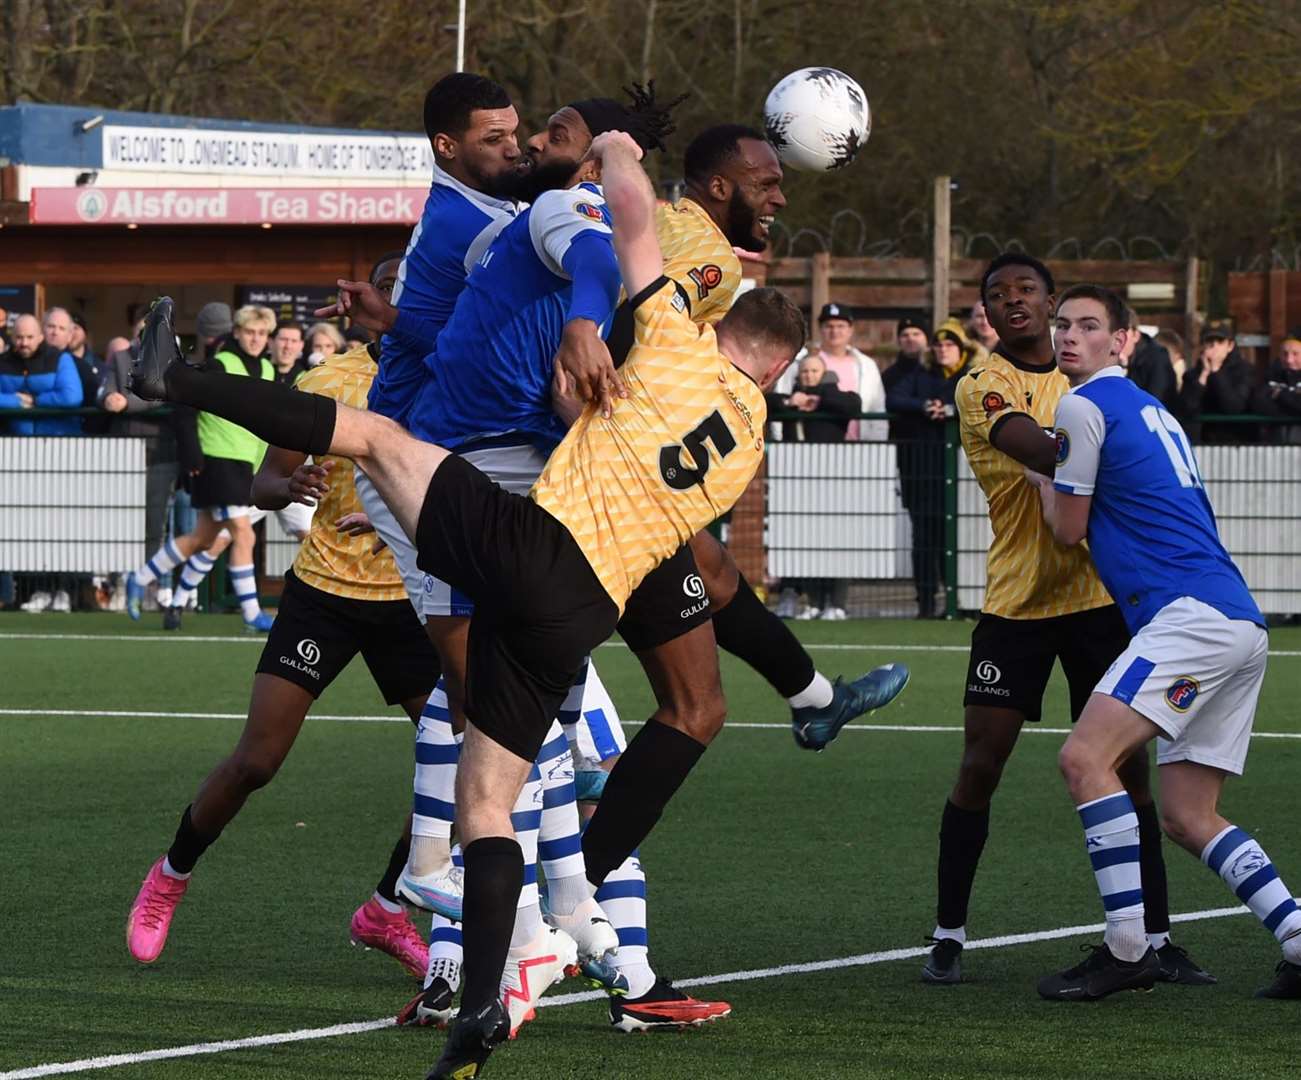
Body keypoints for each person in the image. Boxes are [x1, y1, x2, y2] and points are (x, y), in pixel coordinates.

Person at [129, 128, 811, 1079]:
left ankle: (174, 378)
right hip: (581, 620)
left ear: (724, 336)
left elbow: (633, 224)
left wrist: (618, 150)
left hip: (533, 552)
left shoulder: (675, 350)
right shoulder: (744, 448)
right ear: (775, 371)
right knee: (491, 805)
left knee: (372, 439)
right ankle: (478, 1019)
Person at [125, 282, 441, 981]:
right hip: (324, 593)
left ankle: (388, 909)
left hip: (414, 602)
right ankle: (170, 875)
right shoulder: (330, 379)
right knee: (256, 761)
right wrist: (288, 488)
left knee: (456, 765)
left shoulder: (457, 377)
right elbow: (266, 484)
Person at [920, 253, 1210, 988]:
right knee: (980, 766)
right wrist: (1112, 457)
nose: (1011, 302)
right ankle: (948, 933)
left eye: (1027, 292)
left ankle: (1155, 939)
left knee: (1126, 772)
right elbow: (1038, 449)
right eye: (996, 295)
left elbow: (1086, 461)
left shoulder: (1090, 379)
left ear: (1051, 306)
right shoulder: (983, 382)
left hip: (1096, 604)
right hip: (1015, 606)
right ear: (985, 312)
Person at [1027, 283, 1300, 1001]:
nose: (1068, 337)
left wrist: (1031, 468)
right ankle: (1300, 940)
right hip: (1238, 620)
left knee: (1083, 758)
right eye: (1062, 325)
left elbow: (1066, 529)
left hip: (1189, 619)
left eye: (1088, 326)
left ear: (1122, 342)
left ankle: (1128, 949)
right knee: (1186, 814)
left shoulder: (1081, 404)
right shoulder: (1153, 409)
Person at [125, 304, 277, 632]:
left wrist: (264, 463)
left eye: (262, 333)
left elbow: (267, 421)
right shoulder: (219, 364)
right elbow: (185, 407)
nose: (256, 338)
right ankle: (252, 614)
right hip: (216, 459)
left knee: (203, 538)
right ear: (236, 332)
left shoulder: (267, 368)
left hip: (244, 463)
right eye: (250, 332)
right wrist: (192, 455)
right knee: (243, 533)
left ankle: (139, 578)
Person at [883, 316, 944, 618]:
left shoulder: (945, 373)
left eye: (916, 332)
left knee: (950, 535)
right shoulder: (898, 374)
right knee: (922, 535)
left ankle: (956, 598)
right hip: (915, 466)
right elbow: (893, 400)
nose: (910, 338)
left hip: (947, 467)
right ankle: (927, 599)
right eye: (904, 333)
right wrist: (924, 406)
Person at [773, 302, 885, 441]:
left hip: (859, 446)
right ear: (820, 329)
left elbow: (877, 406)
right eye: (829, 326)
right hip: (807, 447)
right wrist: (779, 439)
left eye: (840, 326)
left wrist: (878, 443)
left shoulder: (867, 365)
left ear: (851, 330)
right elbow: (783, 393)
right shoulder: (801, 361)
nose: (835, 331)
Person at [0, 312, 83, 436]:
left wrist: (36, 400)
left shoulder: (59, 359)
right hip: (12, 444)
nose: (24, 343)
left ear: (40, 337)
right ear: (11, 338)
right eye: (19, 337)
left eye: (30, 337)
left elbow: (72, 397)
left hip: (59, 441)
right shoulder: (2, 362)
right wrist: (16, 401)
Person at [1176, 323, 1254, 444]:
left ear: (1230, 346)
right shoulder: (1192, 375)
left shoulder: (1244, 371)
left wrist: (1216, 372)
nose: (1214, 346)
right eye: (1209, 341)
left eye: (1220, 341)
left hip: (1236, 443)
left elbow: (1234, 407)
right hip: (1202, 442)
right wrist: (1204, 375)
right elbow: (1187, 407)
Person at [766, 351, 861, 443]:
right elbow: (764, 403)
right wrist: (788, 402)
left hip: (830, 456)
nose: (809, 375)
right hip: (793, 456)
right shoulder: (791, 399)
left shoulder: (839, 398)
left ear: (824, 374)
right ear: (798, 375)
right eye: (804, 371)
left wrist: (820, 401)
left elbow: (855, 405)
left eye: (814, 371)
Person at [1118, 305, 1177, 410]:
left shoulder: (1157, 357)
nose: (1118, 339)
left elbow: (1154, 400)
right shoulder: (1110, 357)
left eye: (1124, 332)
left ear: (1136, 335)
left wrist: (1124, 370)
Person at [1252, 333, 1301, 444]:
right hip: (1275, 448)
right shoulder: (1271, 375)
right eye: (1285, 354)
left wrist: (1281, 394)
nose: (1289, 360)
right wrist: (1294, 399)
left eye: (1295, 354)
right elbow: (1259, 405)